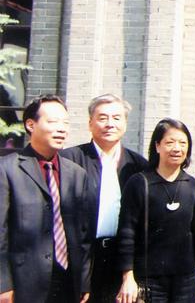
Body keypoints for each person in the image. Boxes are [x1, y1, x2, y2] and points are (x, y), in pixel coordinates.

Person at [0, 94, 92, 303]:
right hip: (24, 283)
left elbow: (83, 234)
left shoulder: (76, 174)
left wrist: (84, 280)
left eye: (65, 123)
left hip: (68, 281)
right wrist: (3, 284)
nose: (62, 128)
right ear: (31, 124)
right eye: (53, 122)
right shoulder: (7, 169)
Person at [62, 94, 148, 303]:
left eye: (117, 118)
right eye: (102, 118)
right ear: (90, 123)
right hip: (80, 257)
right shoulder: (69, 160)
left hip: (121, 259)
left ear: (125, 123)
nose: (110, 124)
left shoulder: (138, 166)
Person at [116, 118, 195, 303]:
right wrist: (127, 277)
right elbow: (127, 231)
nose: (177, 148)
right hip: (149, 280)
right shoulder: (139, 183)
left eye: (183, 143)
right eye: (170, 142)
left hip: (185, 281)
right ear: (157, 146)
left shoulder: (193, 186)